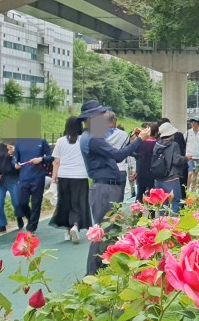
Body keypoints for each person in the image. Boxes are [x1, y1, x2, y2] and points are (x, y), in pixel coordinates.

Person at [79, 100, 143, 275]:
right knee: (102, 232)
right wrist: (139, 140)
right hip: (104, 188)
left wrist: (132, 140)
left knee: (107, 231)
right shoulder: (92, 139)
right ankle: (92, 274)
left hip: (105, 188)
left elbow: (116, 155)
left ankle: (100, 270)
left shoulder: (92, 137)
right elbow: (118, 155)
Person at [51, 116, 91, 244]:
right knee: (78, 202)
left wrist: (53, 179)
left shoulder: (60, 141)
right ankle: (75, 225)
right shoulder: (83, 140)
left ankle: (67, 231)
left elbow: (56, 162)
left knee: (65, 202)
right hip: (80, 176)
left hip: (63, 176)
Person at [13, 131, 53, 234]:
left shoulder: (42, 141)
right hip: (23, 178)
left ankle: (31, 229)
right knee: (22, 203)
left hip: (38, 178)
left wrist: (41, 159)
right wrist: (15, 164)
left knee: (36, 204)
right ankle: (31, 219)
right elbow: (15, 159)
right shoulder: (19, 143)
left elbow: (51, 157)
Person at [152, 122, 188, 213]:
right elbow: (177, 160)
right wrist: (186, 158)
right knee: (176, 201)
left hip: (158, 178)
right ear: (170, 134)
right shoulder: (173, 145)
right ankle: (173, 223)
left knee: (163, 202)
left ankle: (163, 224)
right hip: (171, 178)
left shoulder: (157, 144)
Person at [0, 140, 23, 234]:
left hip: (13, 177)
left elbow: (19, 161)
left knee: (16, 202)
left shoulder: (16, 147)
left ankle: (19, 216)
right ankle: (2, 225)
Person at [135, 123, 159, 201]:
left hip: (141, 171)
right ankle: (151, 213)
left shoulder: (140, 143)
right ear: (156, 132)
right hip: (152, 173)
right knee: (152, 195)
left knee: (140, 193)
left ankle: (137, 211)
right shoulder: (158, 144)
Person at [185, 117, 199, 189]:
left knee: (195, 174)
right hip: (189, 156)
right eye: (192, 122)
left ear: (198, 124)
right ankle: (187, 189)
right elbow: (184, 142)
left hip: (198, 157)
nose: (193, 124)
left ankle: (193, 190)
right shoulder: (188, 132)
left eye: (195, 122)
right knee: (190, 173)